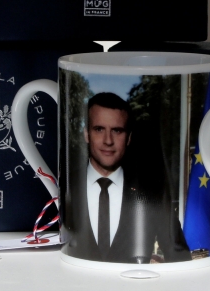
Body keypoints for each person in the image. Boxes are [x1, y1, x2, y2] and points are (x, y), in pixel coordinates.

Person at [65, 92, 191, 263]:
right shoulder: (66, 186)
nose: (108, 140)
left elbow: (179, 256)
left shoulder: (151, 190)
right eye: (99, 129)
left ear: (129, 138)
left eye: (117, 131)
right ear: (87, 134)